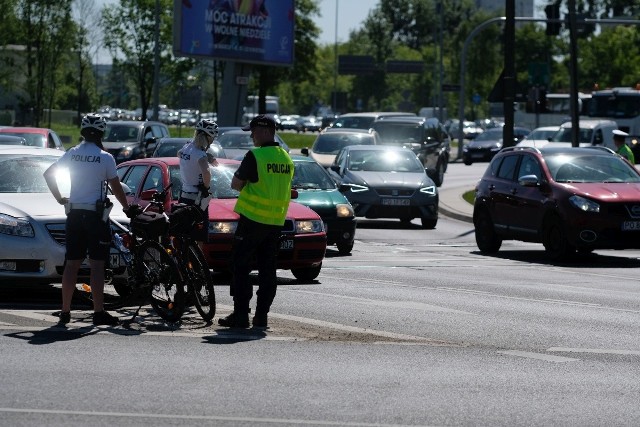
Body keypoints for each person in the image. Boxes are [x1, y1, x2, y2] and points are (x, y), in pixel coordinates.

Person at [43, 113, 134, 326]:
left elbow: (49, 174)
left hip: (74, 215)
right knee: (96, 265)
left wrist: (59, 198)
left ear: (83, 132)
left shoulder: (72, 154)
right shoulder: (105, 157)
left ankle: (65, 312)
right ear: (101, 133)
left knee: (72, 264)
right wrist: (127, 208)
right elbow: (117, 187)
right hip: (95, 216)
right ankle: (98, 312)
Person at [218, 114, 294, 329]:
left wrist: (248, 189)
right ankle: (262, 317)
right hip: (276, 222)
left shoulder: (256, 156)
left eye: (252, 131)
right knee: (268, 270)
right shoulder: (286, 158)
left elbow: (235, 183)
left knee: (239, 266)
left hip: (252, 221)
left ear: (264, 131)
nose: (251, 135)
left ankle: (241, 315)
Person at [177, 119, 219, 246]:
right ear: (207, 137)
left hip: (184, 196)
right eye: (212, 138)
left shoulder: (186, 147)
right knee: (198, 237)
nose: (212, 141)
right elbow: (207, 173)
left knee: (184, 234)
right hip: (197, 200)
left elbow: (179, 154)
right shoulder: (200, 155)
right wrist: (206, 187)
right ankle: (196, 264)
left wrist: (207, 155)